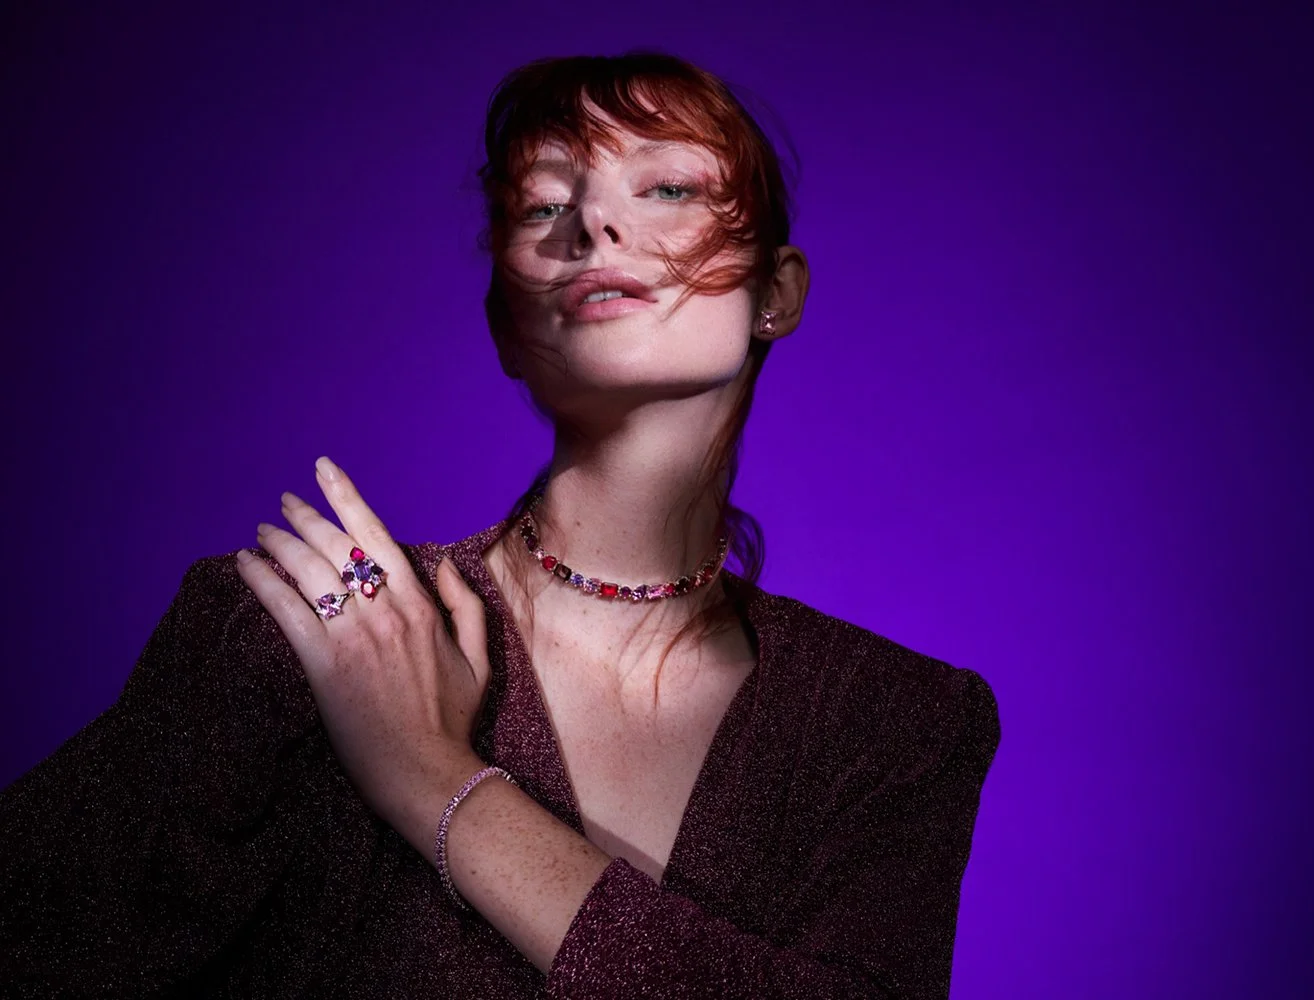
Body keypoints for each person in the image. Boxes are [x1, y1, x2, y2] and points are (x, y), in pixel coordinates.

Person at [0, 51, 1001, 998]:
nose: (596, 225)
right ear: (507, 328)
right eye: (546, 206)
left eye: (667, 188)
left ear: (775, 294)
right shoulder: (304, 633)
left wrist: (433, 779)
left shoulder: (901, 725)